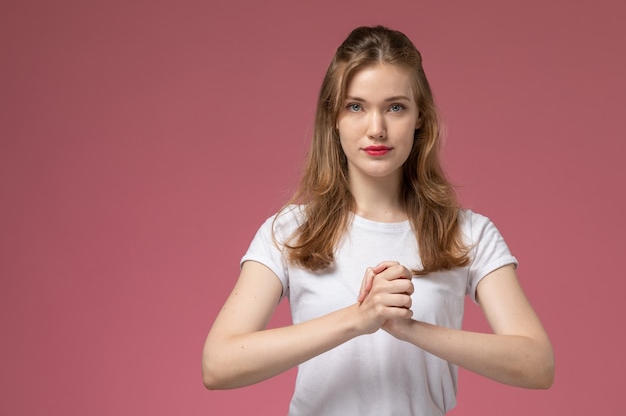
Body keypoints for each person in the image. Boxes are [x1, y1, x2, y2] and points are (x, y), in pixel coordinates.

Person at [202, 25, 554, 415]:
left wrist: (410, 330)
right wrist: (359, 318)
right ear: (332, 118)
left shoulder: (468, 233)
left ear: (420, 117)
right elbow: (218, 365)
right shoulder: (290, 232)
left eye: (395, 107)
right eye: (356, 106)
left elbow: (537, 364)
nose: (376, 128)